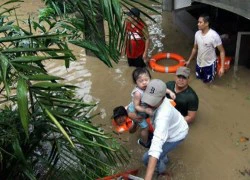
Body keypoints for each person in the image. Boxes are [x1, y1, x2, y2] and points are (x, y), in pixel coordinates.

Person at [141, 79, 189, 179]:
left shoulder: (163, 116)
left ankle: (164, 172)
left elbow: (155, 148)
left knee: (146, 159)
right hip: (173, 126)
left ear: (163, 98)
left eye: (152, 100)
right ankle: (165, 159)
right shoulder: (160, 97)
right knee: (158, 155)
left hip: (177, 135)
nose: (149, 103)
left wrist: (148, 178)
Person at [127, 68, 176, 148]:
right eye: (141, 81)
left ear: (150, 78)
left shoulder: (151, 85)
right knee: (145, 127)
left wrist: (170, 92)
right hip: (137, 112)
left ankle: (135, 123)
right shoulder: (138, 93)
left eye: (146, 79)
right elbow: (136, 106)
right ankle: (144, 142)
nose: (144, 82)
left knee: (142, 122)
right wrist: (145, 110)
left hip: (144, 110)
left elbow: (161, 88)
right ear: (136, 82)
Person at [186, 14, 226, 83]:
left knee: (208, 84)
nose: (198, 24)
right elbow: (195, 48)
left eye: (200, 22)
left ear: (207, 24)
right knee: (198, 81)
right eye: (198, 22)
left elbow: (222, 51)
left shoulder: (214, 36)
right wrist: (189, 60)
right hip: (199, 63)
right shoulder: (197, 34)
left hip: (209, 65)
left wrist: (222, 67)